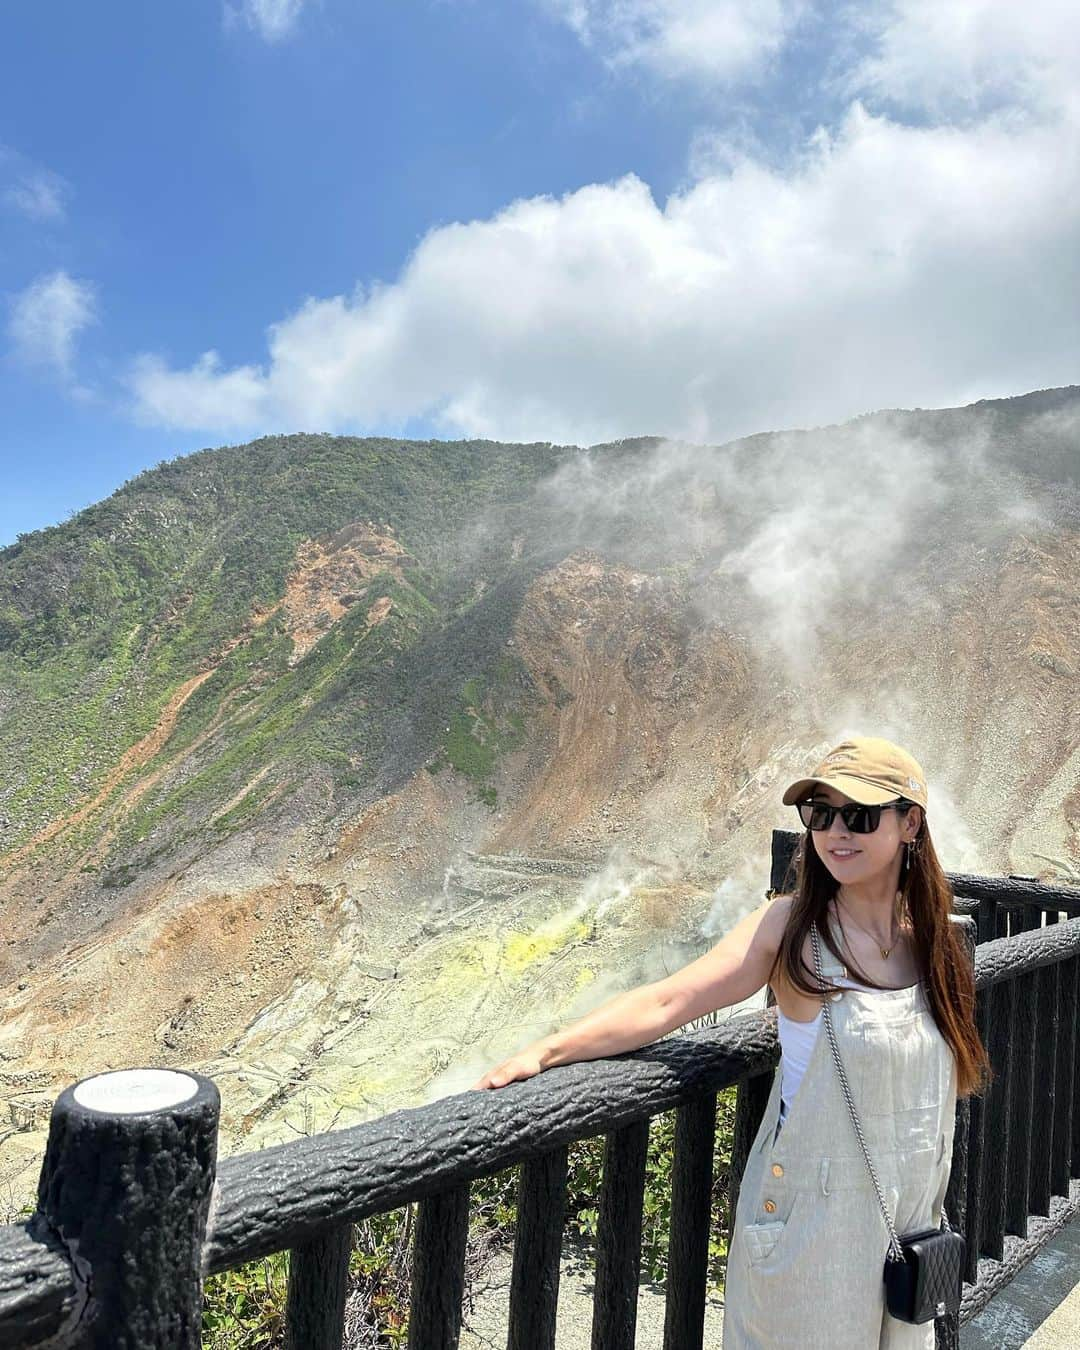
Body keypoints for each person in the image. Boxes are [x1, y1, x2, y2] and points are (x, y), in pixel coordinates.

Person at [472, 735, 990, 1348]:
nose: (836, 833)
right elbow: (671, 1001)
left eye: (858, 815)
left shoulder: (932, 943)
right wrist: (548, 1051)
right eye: (819, 814)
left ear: (910, 824)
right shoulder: (792, 928)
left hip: (906, 1227)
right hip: (810, 1222)